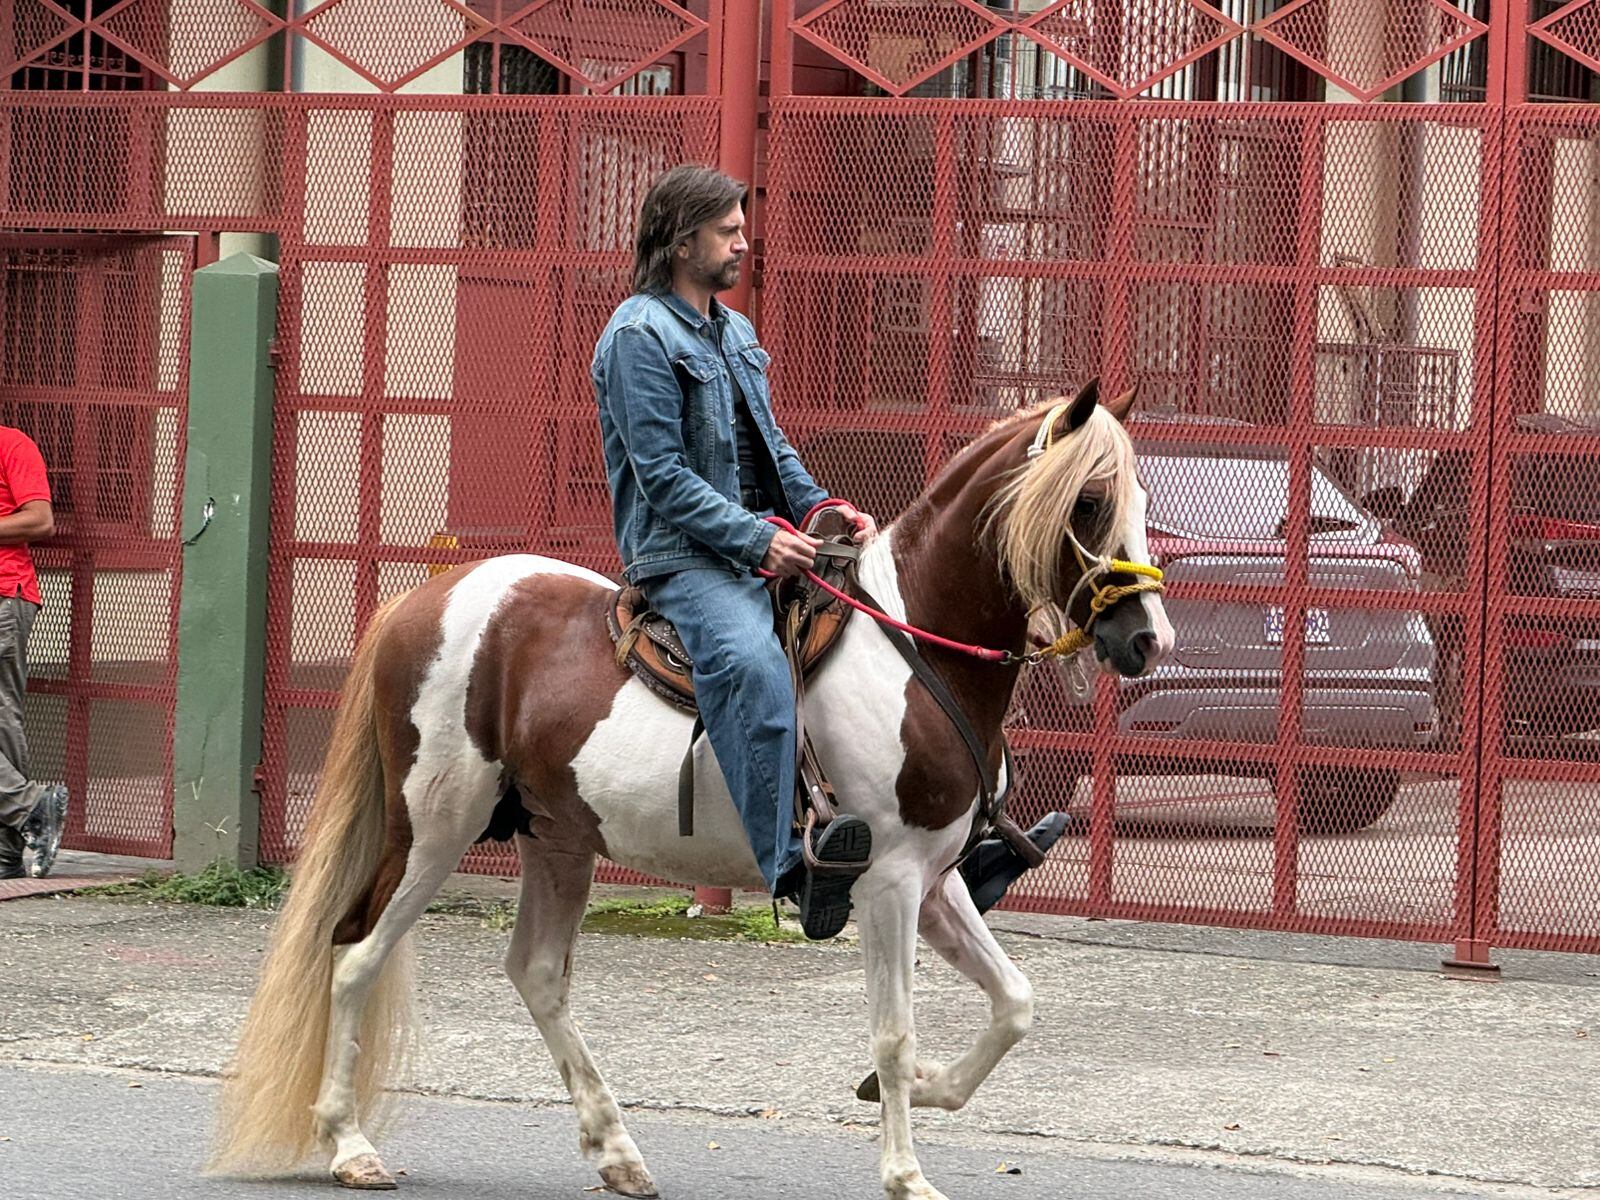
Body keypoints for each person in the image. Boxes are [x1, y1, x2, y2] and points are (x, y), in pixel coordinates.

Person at [593, 164, 877, 940]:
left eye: (742, 229)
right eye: (729, 230)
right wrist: (758, 540)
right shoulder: (636, 337)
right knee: (752, 664)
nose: (744, 243)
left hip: (764, 546)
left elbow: (772, 450)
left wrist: (823, 509)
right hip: (683, 561)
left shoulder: (735, 331)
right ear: (682, 241)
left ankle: (957, 845)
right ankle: (791, 868)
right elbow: (661, 479)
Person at [0, 423, 65, 880]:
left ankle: (27, 806)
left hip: (3, 592)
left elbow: (39, 520)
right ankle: (11, 846)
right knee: (2, 721)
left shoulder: (11, 443)